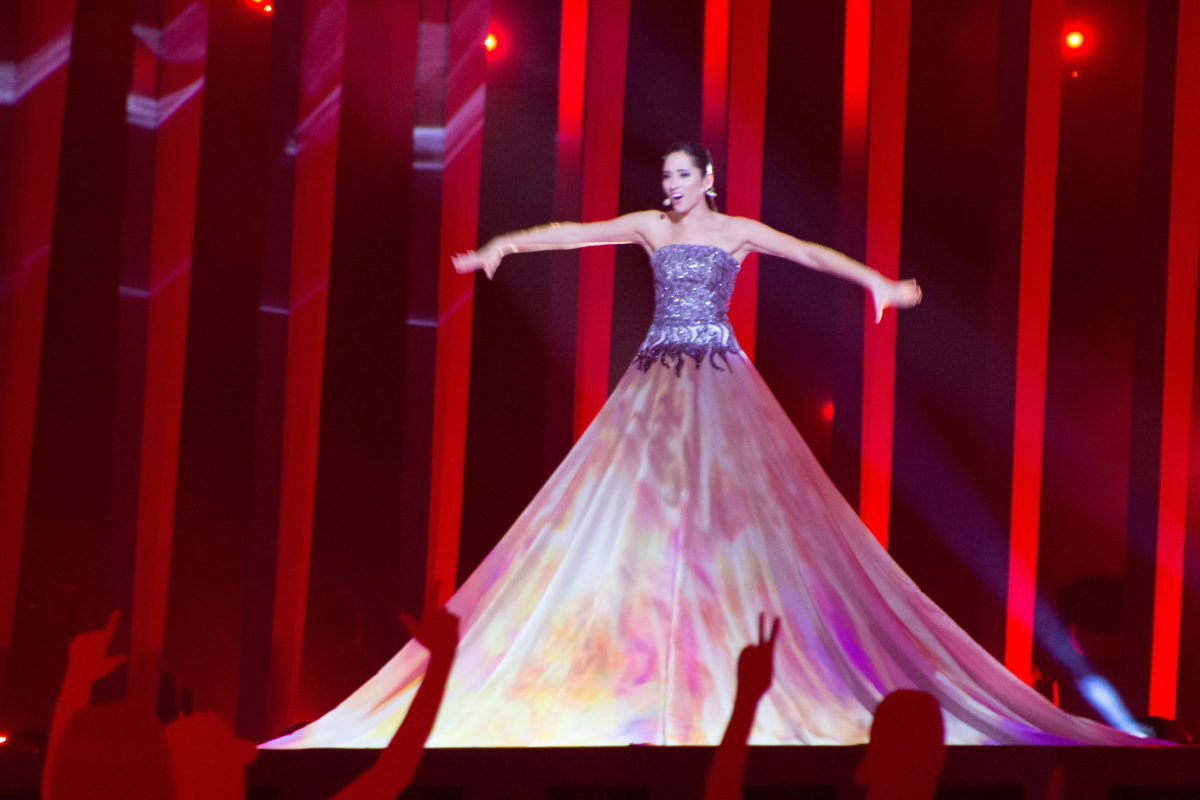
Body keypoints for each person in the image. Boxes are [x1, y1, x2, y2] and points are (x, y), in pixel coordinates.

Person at [263, 142, 1144, 749]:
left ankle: (728, 683)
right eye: (666, 176)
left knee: (736, 521)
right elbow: (578, 233)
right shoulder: (652, 226)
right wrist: (504, 246)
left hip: (717, 375)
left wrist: (875, 282)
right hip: (658, 377)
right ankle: (646, 680)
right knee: (634, 517)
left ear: (708, 179)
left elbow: (806, 253)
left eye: (683, 175)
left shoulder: (734, 232)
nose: (672, 185)